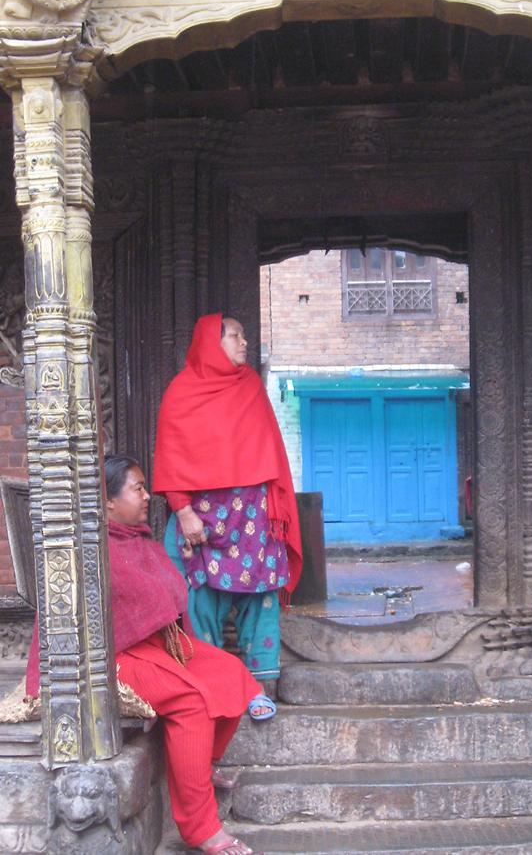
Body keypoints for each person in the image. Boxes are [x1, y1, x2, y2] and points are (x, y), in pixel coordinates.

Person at [26, 455, 260, 855]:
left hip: (153, 644)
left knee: (230, 672)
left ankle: (200, 766)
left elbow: (159, 601)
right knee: (192, 700)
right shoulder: (88, 548)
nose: (148, 495)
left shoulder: (134, 538)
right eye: (137, 488)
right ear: (109, 500)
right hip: (107, 660)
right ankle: (200, 828)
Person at [152, 314, 302, 721]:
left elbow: (269, 452)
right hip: (202, 523)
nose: (244, 342)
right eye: (236, 336)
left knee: (262, 598)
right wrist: (183, 512)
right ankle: (211, 690)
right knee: (197, 600)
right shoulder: (182, 391)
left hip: (254, 520)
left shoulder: (250, 385)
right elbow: (172, 455)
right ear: (210, 341)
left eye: (244, 336)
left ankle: (258, 689)